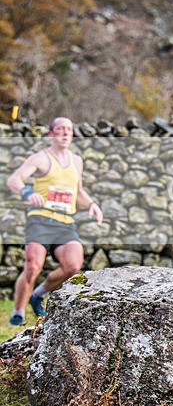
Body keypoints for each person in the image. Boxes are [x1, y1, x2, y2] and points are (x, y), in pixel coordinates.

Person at [6, 117, 103, 325]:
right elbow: (14, 179)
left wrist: (92, 204)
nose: (66, 133)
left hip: (65, 223)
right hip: (40, 221)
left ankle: (39, 294)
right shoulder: (41, 158)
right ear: (51, 134)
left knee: (73, 266)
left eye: (69, 129)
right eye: (61, 129)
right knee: (33, 266)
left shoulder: (77, 161)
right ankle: (18, 313)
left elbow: (78, 192)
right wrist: (27, 191)